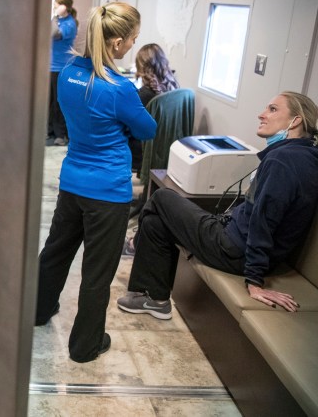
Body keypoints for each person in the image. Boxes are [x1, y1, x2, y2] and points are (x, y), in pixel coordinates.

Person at [117, 92, 318, 317]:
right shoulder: (303, 155)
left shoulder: (282, 161)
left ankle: (135, 243)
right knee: (155, 222)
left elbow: (265, 221)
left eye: (272, 109)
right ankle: (154, 298)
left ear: (296, 120)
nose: (262, 115)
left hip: (233, 250)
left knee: (162, 197)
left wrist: (254, 279)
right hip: (234, 238)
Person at [34, 2, 156, 363]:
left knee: (55, 251)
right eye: (133, 39)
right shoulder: (119, 88)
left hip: (72, 182)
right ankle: (85, 345)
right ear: (117, 43)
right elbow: (148, 129)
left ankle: (39, 311)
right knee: (97, 272)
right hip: (108, 193)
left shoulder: (69, 70)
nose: (133, 45)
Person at [129, 43, 180, 172]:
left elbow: (128, 124)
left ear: (142, 67)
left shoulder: (144, 94)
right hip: (164, 149)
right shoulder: (173, 88)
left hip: (141, 151)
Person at [47, 0, 78, 147]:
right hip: (50, 66)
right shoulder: (58, 21)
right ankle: (49, 131)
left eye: (57, 5)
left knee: (58, 103)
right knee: (49, 102)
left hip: (61, 68)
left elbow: (54, 34)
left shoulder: (70, 23)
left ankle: (60, 135)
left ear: (64, 7)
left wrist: (55, 16)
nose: (54, 7)